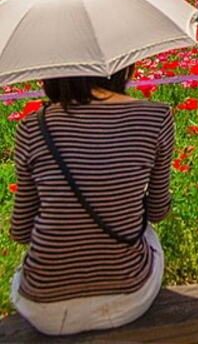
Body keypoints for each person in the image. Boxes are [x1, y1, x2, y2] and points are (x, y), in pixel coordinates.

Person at [8, 65, 174, 336]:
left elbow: (21, 232)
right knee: (146, 234)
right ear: (125, 65)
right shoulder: (156, 117)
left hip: (43, 308)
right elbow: (157, 211)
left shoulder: (31, 127)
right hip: (129, 299)